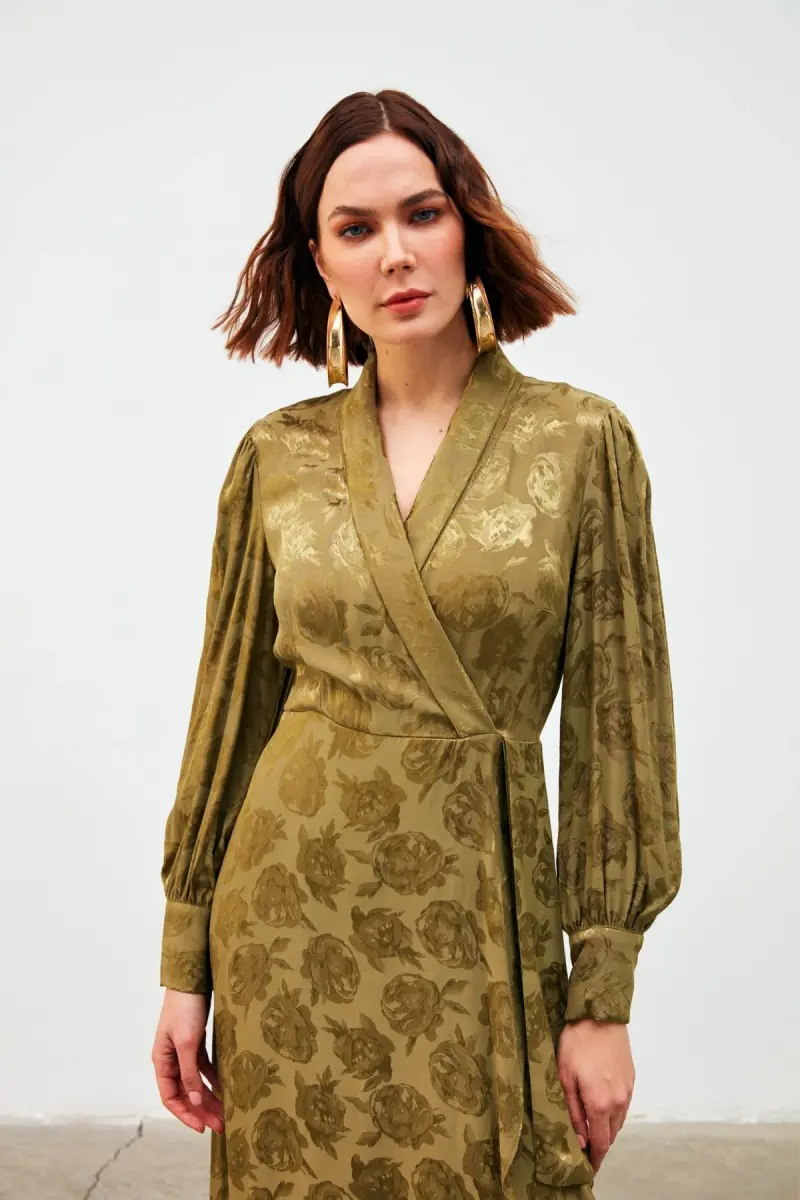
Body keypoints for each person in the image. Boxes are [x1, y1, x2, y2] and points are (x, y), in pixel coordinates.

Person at [151, 88, 681, 1200]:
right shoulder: (276, 457)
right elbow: (230, 714)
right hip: (287, 917)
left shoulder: (578, 443)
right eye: (356, 228)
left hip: (481, 919)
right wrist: (184, 961)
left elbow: (616, 726)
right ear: (321, 262)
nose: (394, 253)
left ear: (466, 227)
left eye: (421, 213)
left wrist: (602, 996)